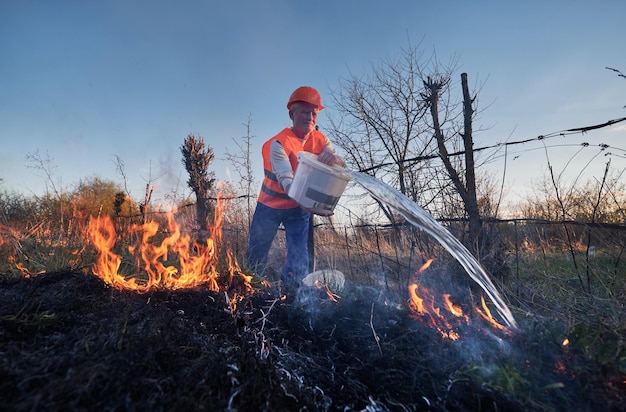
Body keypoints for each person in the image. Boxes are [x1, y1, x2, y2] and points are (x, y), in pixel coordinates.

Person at [246, 86, 345, 288]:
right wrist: (313, 207)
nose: (309, 117)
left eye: (313, 113)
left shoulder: (322, 140)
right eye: (304, 112)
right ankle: (250, 286)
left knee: (299, 254)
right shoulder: (278, 144)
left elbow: (340, 168)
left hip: (298, 209)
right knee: (258, 250)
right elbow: (287, 182)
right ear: (292, 114)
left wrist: (335, 159)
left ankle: (294, 292)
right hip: (270, 205)